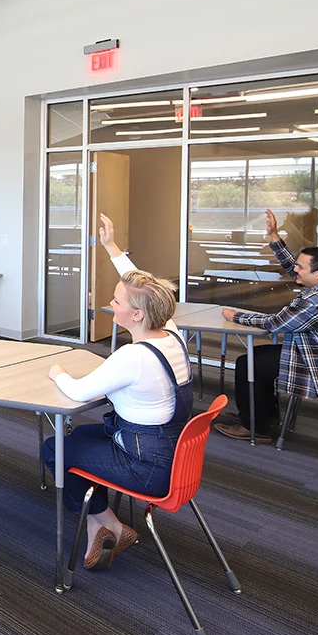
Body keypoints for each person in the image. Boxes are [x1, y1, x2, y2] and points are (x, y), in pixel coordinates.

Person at [40, 214, 192, 571]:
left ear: (137, 315)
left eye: (117, 301)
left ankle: (108, 523)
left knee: (55, 450)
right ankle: (101, 523)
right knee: (79, 439)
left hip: (145, 467)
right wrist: (111, 247)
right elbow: (143, 286)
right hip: (169, 452)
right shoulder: (171, 334)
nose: (111, 304)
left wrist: (58, 372)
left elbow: (79, 392)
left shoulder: (133, 357)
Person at [214, 208, 318, 441]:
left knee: (248, 363)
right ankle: (265, 416)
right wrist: (274, 235)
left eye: (300, 267)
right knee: (258, 359)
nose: (295, 269)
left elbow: (276, 323)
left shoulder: (315, 301)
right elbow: (292, 266)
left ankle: (256, 428)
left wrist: (235, 316)